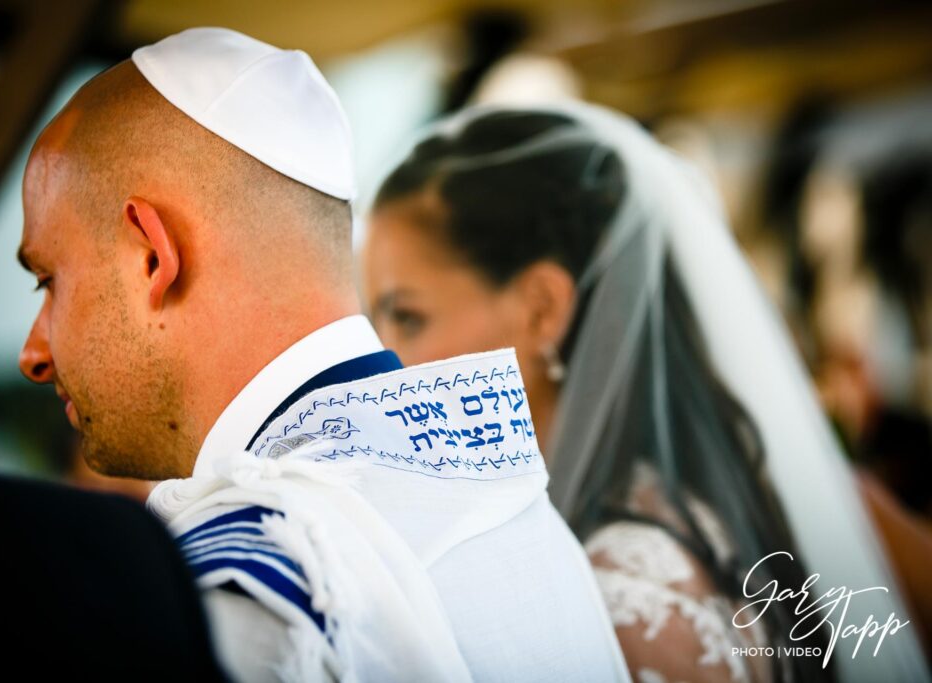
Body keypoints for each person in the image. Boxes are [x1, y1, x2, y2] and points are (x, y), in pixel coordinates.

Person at [15, 27, 631, 682]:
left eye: (50, 279)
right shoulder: (518, 515)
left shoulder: (256, 594)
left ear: (151, 256)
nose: (34, 351)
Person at [363, 104, 931, 683]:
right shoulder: (703, 504)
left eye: (406, 317)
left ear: (542, 309)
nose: (382, 361)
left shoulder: (621, 600)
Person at [0, 458, 227, 680]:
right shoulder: (40, 586)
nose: (107, 507)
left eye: (126, 496)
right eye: (91, 488)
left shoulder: (184, 574)